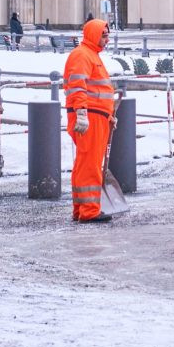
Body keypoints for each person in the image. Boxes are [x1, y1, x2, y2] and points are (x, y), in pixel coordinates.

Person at [63, 18, 115, 223]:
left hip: (96, 116)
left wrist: (108, 115)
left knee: (84, 162)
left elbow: (97, 89)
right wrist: (82, 113)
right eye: (104, 36)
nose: (107, 40)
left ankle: (81, 208)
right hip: (90, 116)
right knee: (90, 164)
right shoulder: (83, 55)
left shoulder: (90, 55)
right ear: (94, 35)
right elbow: (77, 86)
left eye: (108, 35)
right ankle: (89, 210)